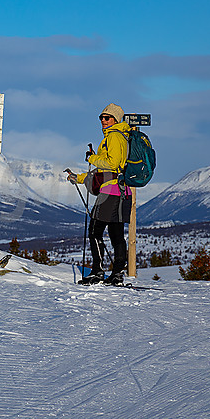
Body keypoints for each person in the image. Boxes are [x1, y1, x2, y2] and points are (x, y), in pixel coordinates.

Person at [67, 103, 132, 285]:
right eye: (101, 118)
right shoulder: (123, 137)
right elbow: (108, 168)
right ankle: (118, 274)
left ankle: (97, 271)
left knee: (95, 231)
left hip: (109, 191)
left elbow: (111, 165)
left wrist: (92, 158)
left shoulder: (113, 136)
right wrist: (79, 178)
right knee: (116, 233)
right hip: (122, 190)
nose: (103, 121)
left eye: (107, 117)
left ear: (116, 120)